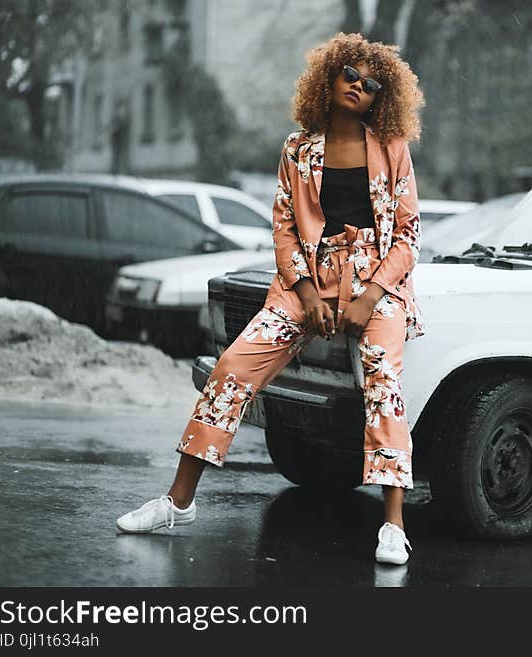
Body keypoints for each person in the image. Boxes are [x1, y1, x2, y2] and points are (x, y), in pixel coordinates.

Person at [116, 32, 426, 565]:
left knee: (383, 380)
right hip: (306, 280)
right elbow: (284, 228)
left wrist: (368, 296)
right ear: (327, 78)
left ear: (382, 96)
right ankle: (177, 501)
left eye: (371, 83)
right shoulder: (297, 148)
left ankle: (393, 524)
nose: (358, 86)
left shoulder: (392, 149)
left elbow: (407, 235)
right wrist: (307, 293)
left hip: (377, 282)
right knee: (232, 366)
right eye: (349, 74)